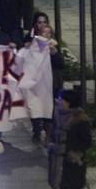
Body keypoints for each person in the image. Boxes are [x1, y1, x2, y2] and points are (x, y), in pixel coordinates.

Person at [49, 91, 91, 189]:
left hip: (74, 163)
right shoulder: (58, 116)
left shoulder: (80, 119)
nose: (59, 102)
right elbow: (54, 135)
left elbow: (87, 142)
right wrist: (53, 145)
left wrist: (74, 152)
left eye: (61, 100)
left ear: (69, 102)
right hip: (60, 162)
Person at [17, 12, 63, 144]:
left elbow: (60, 64)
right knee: (34, 106)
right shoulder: (29, 40)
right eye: (39, 22)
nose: (42, 25)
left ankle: (49, 134)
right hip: (34, 81)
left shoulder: (53, 42)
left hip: (50, 82)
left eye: (44, 22)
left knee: (49, 107)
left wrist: (54, 53)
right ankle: (37, 131)